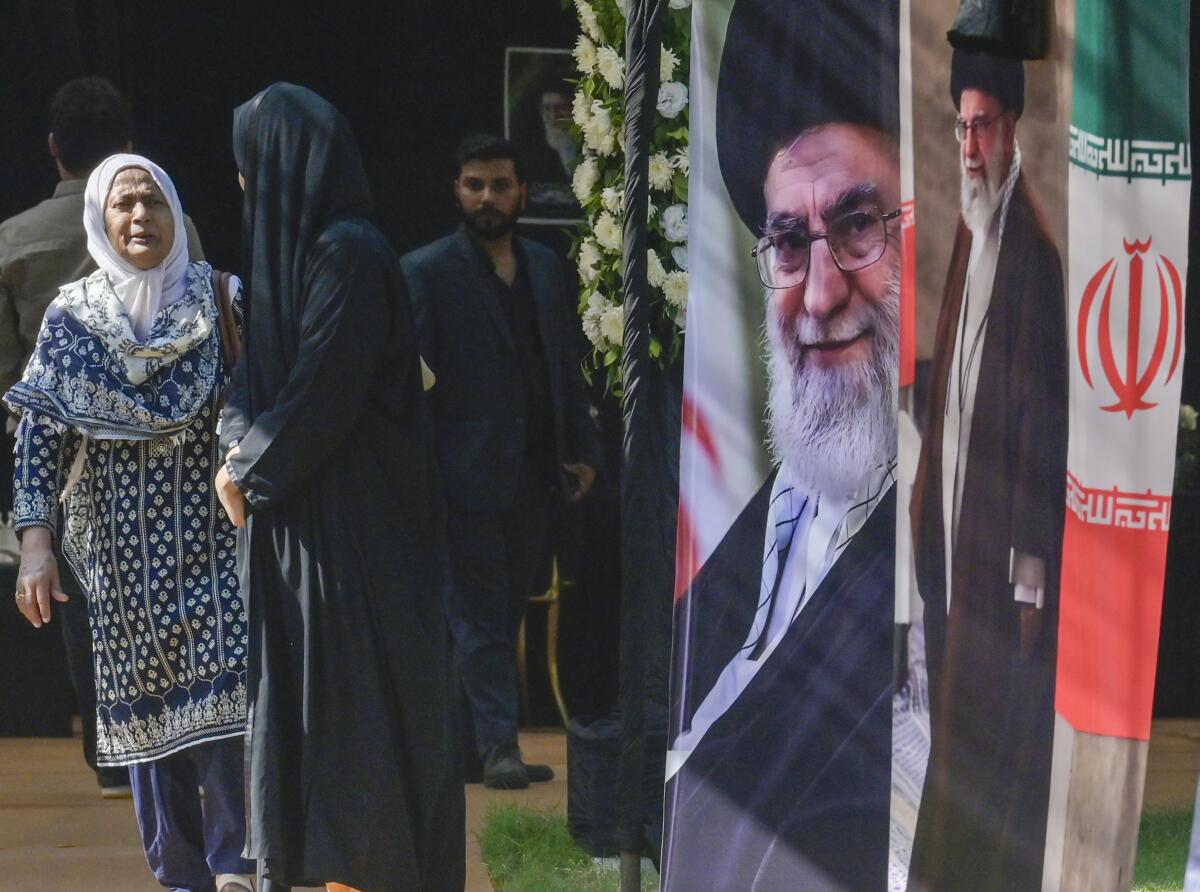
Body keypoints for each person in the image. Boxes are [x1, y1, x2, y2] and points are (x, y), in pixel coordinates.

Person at [660, 0, 900, 888]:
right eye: (790, 244)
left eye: (859, 226)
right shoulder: (770, 516)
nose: (820, 290)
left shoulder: (962, 548)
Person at [215, 83, 463, 892]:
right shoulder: (290, 261)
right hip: (297, 530)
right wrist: (238, 458)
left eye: (253, 168)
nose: (246, 186)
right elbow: (247, 388)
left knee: (352, 728)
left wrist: (246, 473)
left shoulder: (348, 253)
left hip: (356, 540)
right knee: (307, 723)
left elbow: (322, 396)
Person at [6, 153, 253, 892]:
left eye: (153, 202)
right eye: (124, 204)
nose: (140, 216)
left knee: (230, 710)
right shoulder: (72, 319)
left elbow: (258, 407)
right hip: (120, 571)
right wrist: (35, 547)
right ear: (99, 219)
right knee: (148, 738)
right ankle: (182, 879)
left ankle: (237, 868)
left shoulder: (224, 303)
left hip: (215, 550)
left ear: (177, 216)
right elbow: (39, 438)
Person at [0, 76, 203, 798]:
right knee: (170, 588)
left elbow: (4, 378)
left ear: (53, 148)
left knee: (80, 598)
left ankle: (114, 751)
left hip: (58, 457)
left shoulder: (12, 243)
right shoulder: (172, 226)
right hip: (168, 451)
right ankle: (174, 735)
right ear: (126, 147)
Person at [907, 49, 1067, 891]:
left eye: (984, 126)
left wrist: (1031, 576)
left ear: (1014, 130)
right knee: (956, 725)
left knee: (996, 734)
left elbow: (1042, 430)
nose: (970, 145)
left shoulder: (1034, 257)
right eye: (961, 126)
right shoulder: (975, 233)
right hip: (956, 532)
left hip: (1007, 562)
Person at [402, 134, 601, 790]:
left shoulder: (545, 266)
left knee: (504, 611)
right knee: (479, 618)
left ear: (521, 192)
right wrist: (423, 475)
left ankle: (466, 749)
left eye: (500, 185)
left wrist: (583, 452)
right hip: (460, 479)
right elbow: (412, 385)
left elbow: (563, 365)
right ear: (456, 191)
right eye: (474, 185)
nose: (487, 198)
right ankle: (497, 749)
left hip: (536, 476)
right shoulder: (426, 271)